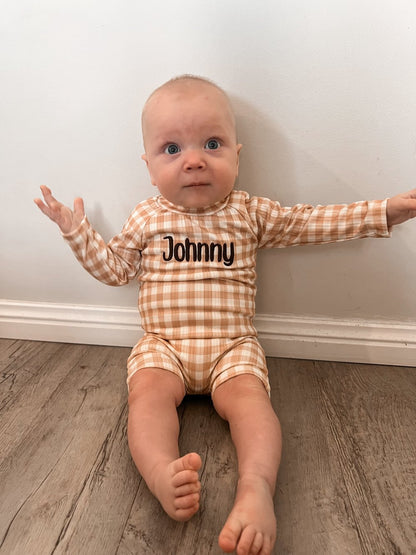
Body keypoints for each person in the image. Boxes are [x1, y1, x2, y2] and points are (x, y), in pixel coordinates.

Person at [34, 75, 416, 555]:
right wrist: (77, 232)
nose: (193, 159)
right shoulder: (147, 218)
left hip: (231, 348)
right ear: (149, 167)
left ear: (238, 154)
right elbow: (114, 270)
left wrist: (384, 212)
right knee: (146, 398)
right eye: (172, 149)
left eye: (211, 144)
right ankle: (159, 473)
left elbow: (312, 222)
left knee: (252, 406)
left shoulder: (247, 212)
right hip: (163, 346)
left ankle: (257, 487)